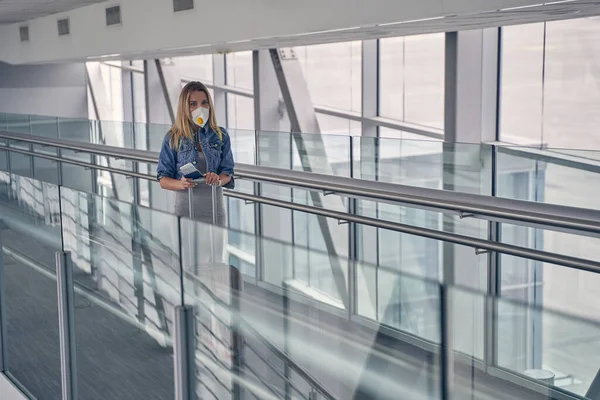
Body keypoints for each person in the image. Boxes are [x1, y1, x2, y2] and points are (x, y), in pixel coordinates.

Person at [156, 81, 235, 226]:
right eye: (193, 104)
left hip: (214, 208)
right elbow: (163, 179)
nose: (200, 108)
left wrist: (218, 180)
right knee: (185, 248)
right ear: (184, 107)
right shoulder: (173, 137)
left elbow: (227, 173)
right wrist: (181, 183)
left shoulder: (220, 135)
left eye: (204, 102)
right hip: (185, 208)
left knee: (215, 249)